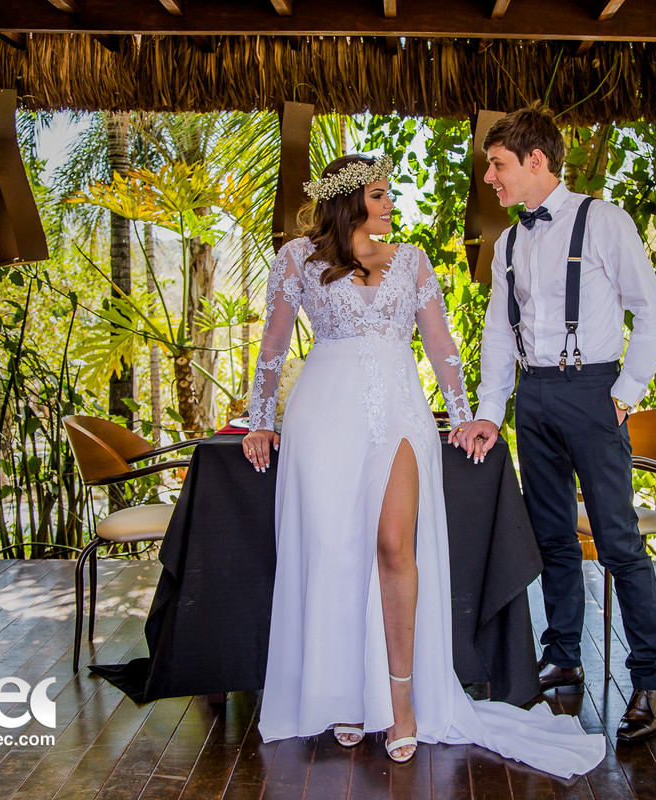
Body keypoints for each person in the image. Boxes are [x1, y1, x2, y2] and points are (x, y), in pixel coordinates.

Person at [243, 154, 604, 776]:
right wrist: (261, 421)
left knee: (392, 548)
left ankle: (403, 703)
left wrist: (463, 414)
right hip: (322, 415)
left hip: (399, 411)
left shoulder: (410, 260)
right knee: (333, 550)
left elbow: (442, 348)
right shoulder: (297, 258)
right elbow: (273, 349)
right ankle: (348, 697)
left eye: (389, 195)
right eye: (380, 195)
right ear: (350, 199)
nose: (390, 205)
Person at [454, 107, 656, 743]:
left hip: (592, 391)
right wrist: (491, 414)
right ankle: (563, 657)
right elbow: (498, 332)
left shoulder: (605, 222)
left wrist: (625, 392)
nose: (490, 177)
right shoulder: (507, 242)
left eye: (498, 165)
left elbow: (651, 315)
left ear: (537, 162)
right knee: (551, 537)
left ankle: (650, 679)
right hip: (536, 397)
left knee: (617, 541)